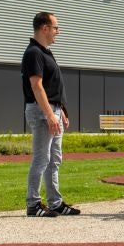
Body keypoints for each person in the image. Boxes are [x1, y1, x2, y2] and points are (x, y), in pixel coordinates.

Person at [21, 11, 80, 217]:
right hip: (41, 112)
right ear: (44, 28)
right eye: (56, 27)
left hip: (53, 110)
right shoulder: (33, 53)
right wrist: (49, 114)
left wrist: (61, 110)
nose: (58, 31)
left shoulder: (45, 52)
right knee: (41, 158)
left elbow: (53, 85)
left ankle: (55, 202)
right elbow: (37, 87)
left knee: (54, 159)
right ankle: (33, 204)